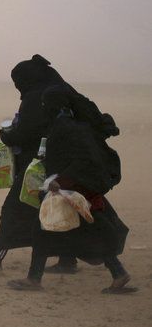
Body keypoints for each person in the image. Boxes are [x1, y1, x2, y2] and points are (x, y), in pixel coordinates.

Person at [7, 87, 134, 293]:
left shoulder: (67, 127)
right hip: (75, 190)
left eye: (44, 104)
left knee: (42, 229)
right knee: (90, 230)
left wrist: (62, 181)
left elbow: (84, 159)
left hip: (71, 190)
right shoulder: (66, 124)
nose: (42, 108)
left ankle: (34, 279)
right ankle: (119, 273)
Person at [0, 54, 78, 274]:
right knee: (57, 209)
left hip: (37, 168)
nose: (18, 87)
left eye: (18, 82)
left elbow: (25, 134)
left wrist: (6, 134)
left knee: (14, 209)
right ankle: (68, 260)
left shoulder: (36, 98)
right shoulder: (61, 93)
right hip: (63, 166)